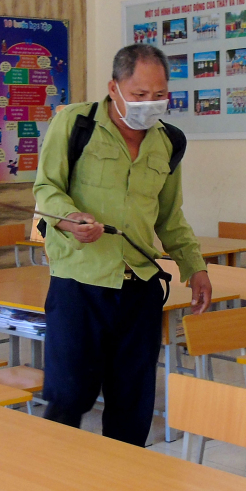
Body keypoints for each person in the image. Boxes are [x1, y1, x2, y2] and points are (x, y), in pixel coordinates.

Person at [32, 43, 211, 445]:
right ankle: (52, 478)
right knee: (67, 399)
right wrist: (70, 219)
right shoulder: (75, 124)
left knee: (132, 406)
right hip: (80, 283)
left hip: (139, 289)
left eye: (159, 94)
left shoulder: (168, 141)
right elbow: (46, 189)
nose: (149, 103)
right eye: (140, 94)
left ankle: (125, 481)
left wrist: (194, 266)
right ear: (114, 88)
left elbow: (169, 216)